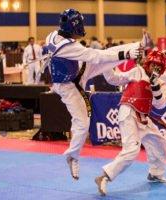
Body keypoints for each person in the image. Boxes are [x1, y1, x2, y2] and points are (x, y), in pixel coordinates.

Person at [45, 9, 145, 181]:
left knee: (108, 58)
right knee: (83, 124)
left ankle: (136, 46)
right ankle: (72, 156)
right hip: (68, 87)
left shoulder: (53, 35)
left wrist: (129, 52)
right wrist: (126, 55)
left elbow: (99, 56)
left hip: (79, 70)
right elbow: (95, 56)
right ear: (73, 28)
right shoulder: (69, 47)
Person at [95, 50, 166, 196]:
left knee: (159, 141)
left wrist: (154, 86)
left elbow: (161, 104)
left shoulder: (161, 83)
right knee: (132, 150)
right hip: (129, 112)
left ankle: (155, 173)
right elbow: (114, 79)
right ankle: (104, 176)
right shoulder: (137, 72)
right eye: (153, 65)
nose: (155, 69)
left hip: (143, 118)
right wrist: (105, 63)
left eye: (159, 67)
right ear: (148, 64)